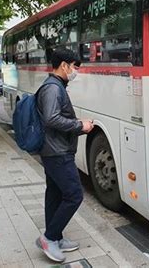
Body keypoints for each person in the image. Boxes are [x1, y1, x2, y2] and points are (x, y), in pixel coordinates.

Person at [35, 48, 94, 263]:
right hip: (57, 151)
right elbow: (52, 118)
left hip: (53, 149)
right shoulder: (53, 88)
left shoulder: (56, 86)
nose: (76, 71)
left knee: (55, 193)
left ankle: (56, 237)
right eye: (75, 66)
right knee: (74, 195)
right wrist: (80, 125)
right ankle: (49, 237)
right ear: (64, 65)